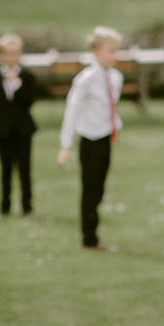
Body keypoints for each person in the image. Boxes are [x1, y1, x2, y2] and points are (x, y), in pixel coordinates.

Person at [58, 26, 124, 250]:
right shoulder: (85, 79)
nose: (114, 56)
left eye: (116, 51)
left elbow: (108, 106)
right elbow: (72, 111)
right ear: (96, 51)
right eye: (110, 51)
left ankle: (92, 235)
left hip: (106, 138)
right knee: (90, 190)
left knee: (100, 189)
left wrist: (116, 125)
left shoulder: (116, 77)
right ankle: (89, 238)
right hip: (90, 140)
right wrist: (65, 145)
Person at [0, 33, 38, 217]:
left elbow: (29, 101)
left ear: (20, 54)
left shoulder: (27, 76)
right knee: (5, 170)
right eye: (7, 53)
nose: (11, 57)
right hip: (2, 130)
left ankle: (27, 206)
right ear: (0, 55)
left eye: (15, 53)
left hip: (23, 129)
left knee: (25, 170)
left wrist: (16, 85)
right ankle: (4, 207)